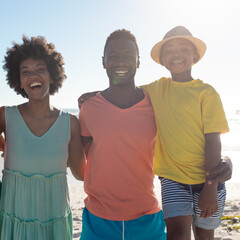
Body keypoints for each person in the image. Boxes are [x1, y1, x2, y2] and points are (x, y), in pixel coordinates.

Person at [0, 36, 85, 240]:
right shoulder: (5, 116)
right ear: (18, 80)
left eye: (40, 69)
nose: (33, 76)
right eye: (25, 72)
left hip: (53, 220)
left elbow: (81, 174)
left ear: (53, 75)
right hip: (15, 220)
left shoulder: (70, 123)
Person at [141, 26, 229, 240]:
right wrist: (96, 95)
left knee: (204, 235)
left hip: (208, 180)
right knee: (177, 235)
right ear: (162, 59)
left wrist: (210, 187)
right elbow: (125, 94)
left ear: (195, 56)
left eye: (183, 48)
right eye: (169, 50)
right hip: (173, 179)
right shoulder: (156, 88)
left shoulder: (206, 93)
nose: (176, 54)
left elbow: (213, 141)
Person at [78, 29, 166, 240]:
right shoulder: (89, 108)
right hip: (98, 218)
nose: (120, 61)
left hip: (147, 215)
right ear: (103, 61)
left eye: (127, 55)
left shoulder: (156, 104)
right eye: (113, 56)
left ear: (138, 61)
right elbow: (85, 156)